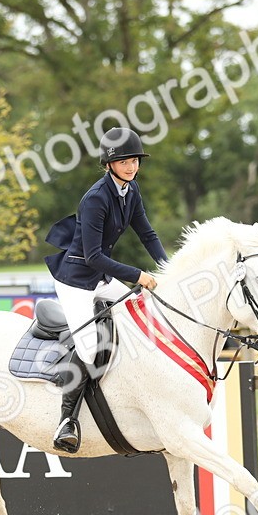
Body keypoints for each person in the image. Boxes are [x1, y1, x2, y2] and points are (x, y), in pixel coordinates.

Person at [42, 126, 169, 452]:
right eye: (124, 161)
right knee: (87, 350)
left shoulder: (131, 190)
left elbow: (148, 234)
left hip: (99, 276)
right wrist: (138, 275)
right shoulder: (96, 198)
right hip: (75, 279)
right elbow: (94, 256)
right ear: (110, 163)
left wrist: (168, 269)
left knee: (139, 313)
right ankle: (66, 421)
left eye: (135, 160)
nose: (131, 166)